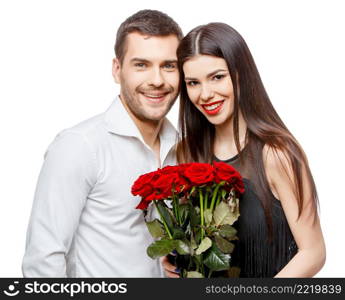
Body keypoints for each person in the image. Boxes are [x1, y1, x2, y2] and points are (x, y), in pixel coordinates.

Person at [22, 9, 183, 277]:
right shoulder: (80, 146)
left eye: (169, 66)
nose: (157, 80)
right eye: (141, 65)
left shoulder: (183, 147)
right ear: (117, 70)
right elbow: (43, 260)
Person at [163, 22, 326, 277]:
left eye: (217, 77)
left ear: (241, 74)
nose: (205, 94)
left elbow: (313, 252)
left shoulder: (276, 153)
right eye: (193, 83)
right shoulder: (185, 153)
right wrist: (175, 254)